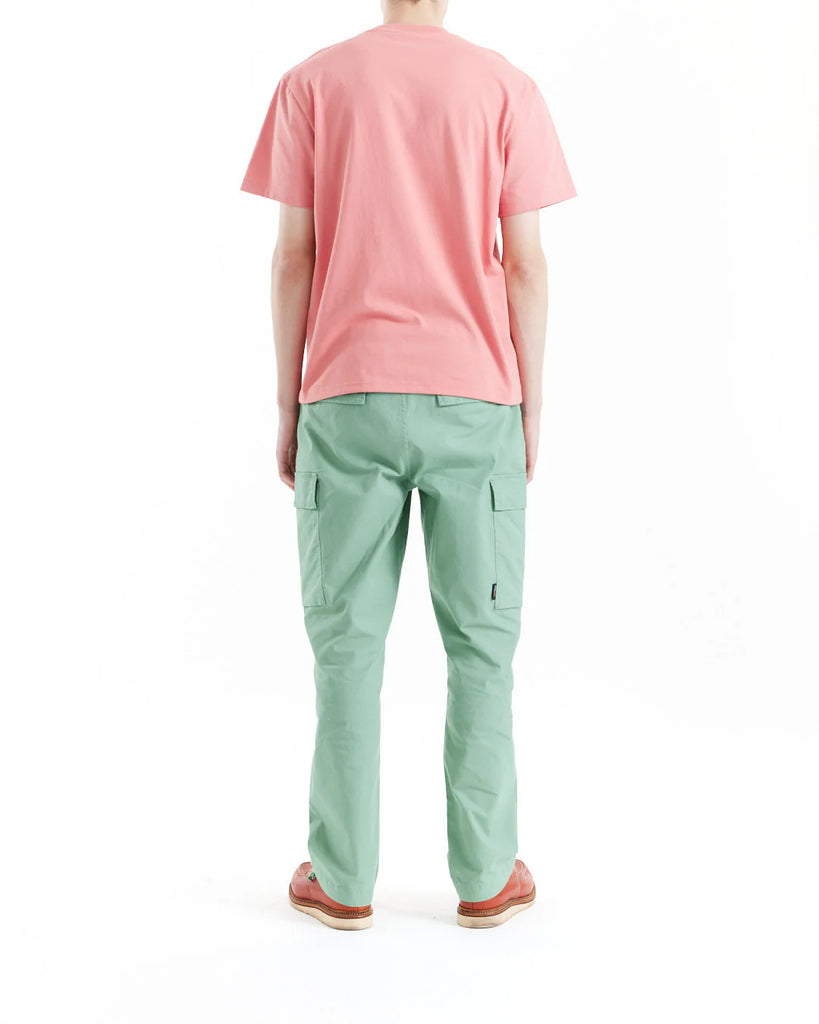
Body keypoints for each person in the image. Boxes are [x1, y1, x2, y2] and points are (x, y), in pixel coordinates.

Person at [239, 0, 577, 930]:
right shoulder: (505, 86)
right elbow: (524, 266)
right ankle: (485, 876)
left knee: (346, 648)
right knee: (482, 646)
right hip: (476, 402)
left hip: (346, 396)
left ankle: (342, 879)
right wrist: (529, 405)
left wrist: (288, 403)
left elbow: (293, 258)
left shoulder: (313, 83)